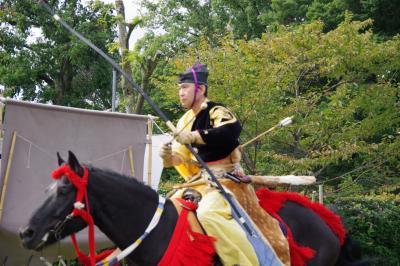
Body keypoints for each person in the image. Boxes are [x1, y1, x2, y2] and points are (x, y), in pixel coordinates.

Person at [159, 63, 259, 265]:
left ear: (201, 89)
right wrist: (168, 157)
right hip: (200, 182)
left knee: (208, 213)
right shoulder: (184, 120)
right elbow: (182, 159)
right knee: (164, 210)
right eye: (179, 88)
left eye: (185, 87)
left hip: (227, 180)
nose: (180, 93)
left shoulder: (217, 110)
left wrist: (194, 136)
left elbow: (229, 133)